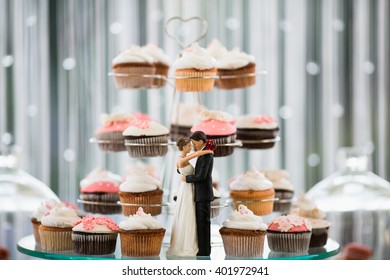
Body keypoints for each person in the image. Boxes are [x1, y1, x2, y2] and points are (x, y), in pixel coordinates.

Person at [166, 136, 213, 257]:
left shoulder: (181, 159)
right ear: (183, 147)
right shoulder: (182, 159)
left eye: (192, 144)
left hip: (189, 189)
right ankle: (187, 244)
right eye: (188, 146)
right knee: (188, 215)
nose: (190, 147)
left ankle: (194, 243)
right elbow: (195, 155)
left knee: (190, 216)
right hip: (187, 189)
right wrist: (207, 151)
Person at [181, 131, 214, 257]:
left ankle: (204, 251)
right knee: (201, 223)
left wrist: (187, 179)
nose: (193, 146)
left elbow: (201, 176)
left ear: (200, 141)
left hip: (203, 194)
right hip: (200, 194)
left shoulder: (207, 156)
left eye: (194, 143)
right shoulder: (203, 154)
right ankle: (202, 249)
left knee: (203, 223)